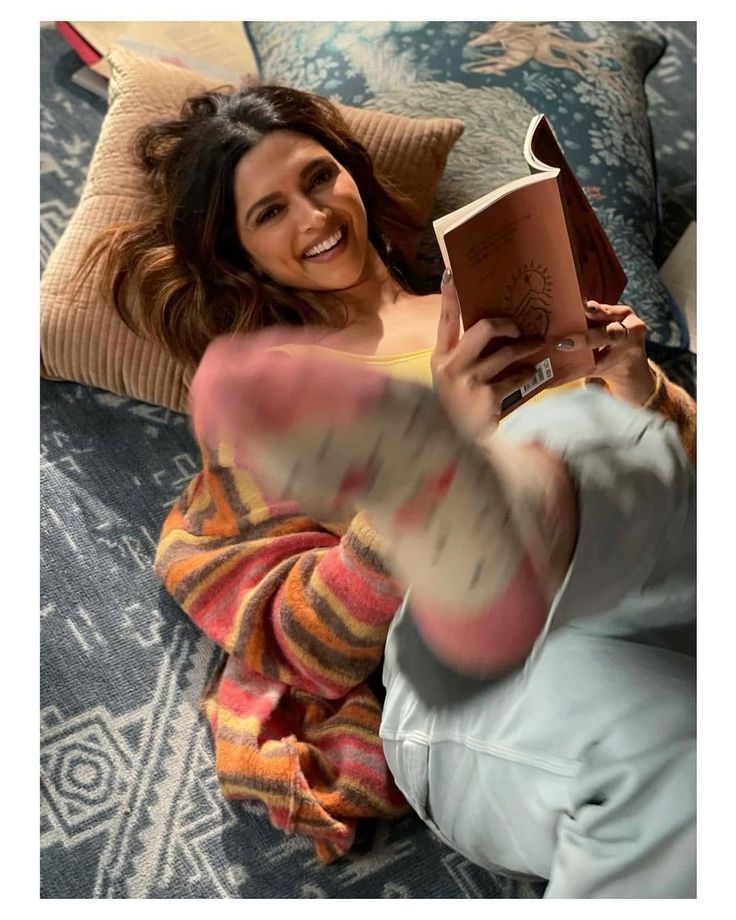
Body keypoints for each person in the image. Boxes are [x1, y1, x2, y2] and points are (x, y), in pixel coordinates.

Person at [77, 83, 696, 896]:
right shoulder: (279, 393)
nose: (314, 218)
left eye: (318, 178)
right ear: (238, 253)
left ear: (353, 176)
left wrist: (635, 382)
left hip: (650, 602)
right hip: (472, 683)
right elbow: (302, 643)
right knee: (683, 772)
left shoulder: (480, 301)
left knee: (601, 449)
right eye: (268, 214)